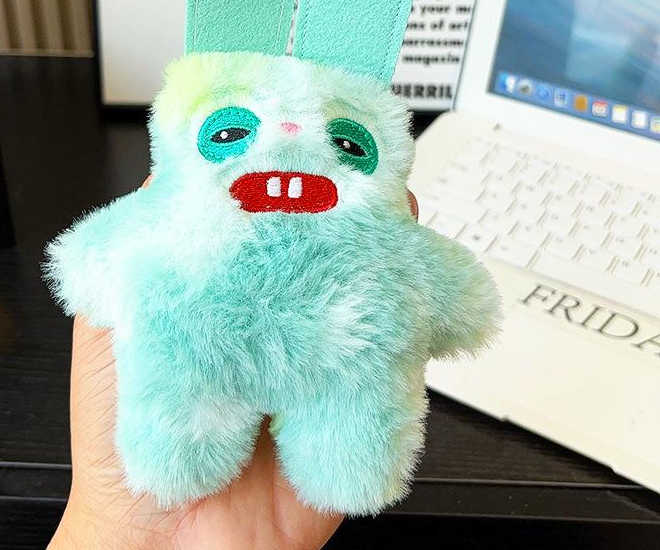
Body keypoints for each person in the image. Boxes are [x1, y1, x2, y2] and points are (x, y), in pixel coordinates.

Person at [49, 185, 419, 550]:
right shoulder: (182, 206)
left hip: (318, 339)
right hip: (214, 340)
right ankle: (338, 457)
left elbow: (86, 262)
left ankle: (344, 457)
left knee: (355, 391)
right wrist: (119, 526)